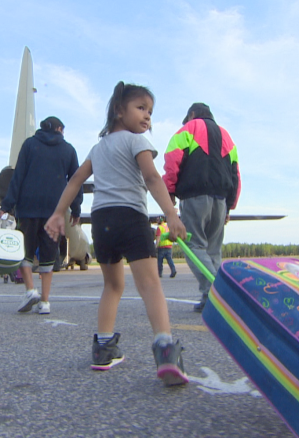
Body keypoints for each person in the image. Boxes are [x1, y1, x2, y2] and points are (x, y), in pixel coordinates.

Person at [45, 81, 189, 386]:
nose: (147, 117)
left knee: (112, 286)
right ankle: (165, 350)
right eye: (141, 108)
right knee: (149, 284)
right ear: (118, 110)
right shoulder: (137, 142)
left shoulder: (98, 148)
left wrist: (59, 212)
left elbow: (74, 182)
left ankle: (104, 348)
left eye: (150, 111)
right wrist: (172, 214)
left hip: (102, 220)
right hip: (131, 216)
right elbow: (151, 177)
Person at [0, 116, 82, 315]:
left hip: (27, 207)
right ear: (60, 129)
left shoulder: (29, 145)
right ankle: (44, 302)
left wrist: (6, 206)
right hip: (55, 210)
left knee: (24, 252)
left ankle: (30, 290)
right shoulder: (68, 150)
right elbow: (76, 181)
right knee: (48, 256)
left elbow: (18, 177)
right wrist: (76, 209)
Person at [162, 103, 241, 312]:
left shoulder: (189, 129)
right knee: (213, 250)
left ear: (192, 114)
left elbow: (172, 160)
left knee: (194, 245)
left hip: (195, 195)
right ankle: (214, 296)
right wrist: (230, 206)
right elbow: (236, 173)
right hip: (221, 199)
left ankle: (216, 294)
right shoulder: (227, 136)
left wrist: (168, 190)